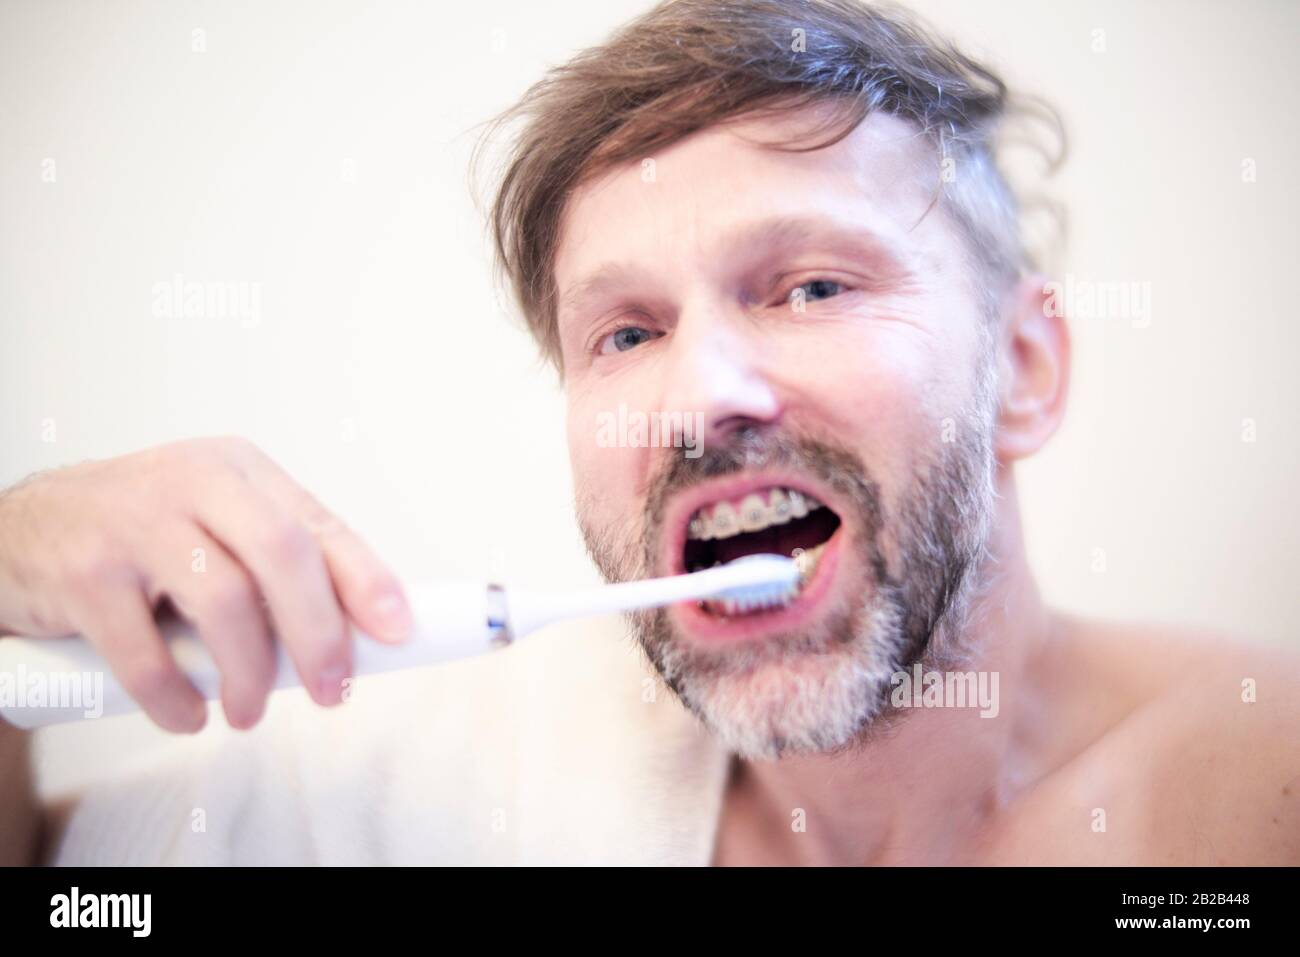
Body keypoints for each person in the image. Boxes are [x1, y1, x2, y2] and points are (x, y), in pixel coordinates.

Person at [1, 0, 1296, 866]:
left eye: (811, 286)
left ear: (1022, 367)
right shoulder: (459, 775)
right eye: (624, 332)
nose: (702, 392)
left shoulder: (1256, 798)